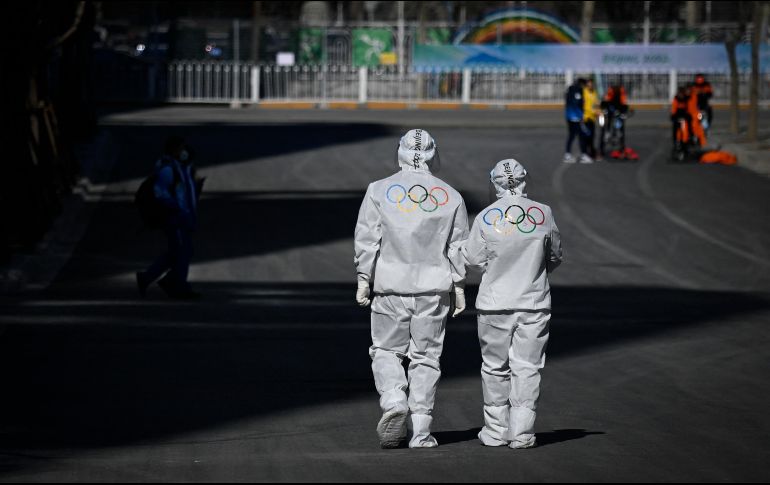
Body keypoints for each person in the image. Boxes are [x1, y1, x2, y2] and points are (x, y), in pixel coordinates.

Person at [354, 129, 469, 449]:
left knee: (386, 350)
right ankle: (421, 431)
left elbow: (367, 239)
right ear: (434, 155)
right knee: (427, 358)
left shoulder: (378, 190)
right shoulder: (451, 196)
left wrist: (364, 277)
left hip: (390, 285)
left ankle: (393, 399)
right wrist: (459, 285)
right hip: (433, 288)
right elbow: (458, 246)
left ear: (400, 152)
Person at [463, 159, 563, 449]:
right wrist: (534, 272)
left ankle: (495, 431)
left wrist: (495, 270)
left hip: (495, 302)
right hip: (534, 302)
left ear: (495, 183)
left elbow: (472, 260)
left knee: (495, 367)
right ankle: (522, 433)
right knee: (528, 368)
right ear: (524, 180)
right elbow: (555, 255)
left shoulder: (485, 217)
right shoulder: (543, 213)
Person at [136, 135, 202, 300]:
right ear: (174, 150)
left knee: (177, 253)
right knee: (183, 252)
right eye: (181, 148)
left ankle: (148, 278)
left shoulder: (181, 168)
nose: (184, 151)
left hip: (183, 218)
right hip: (175, 219)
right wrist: (176, 209)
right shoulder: (168, 169)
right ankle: (178, 286)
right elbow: (160, 192)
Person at [600, 84, 635, 159]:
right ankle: (605, 148)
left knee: (618, 132)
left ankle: (619, 148)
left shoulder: (618, 95)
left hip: (616, 117)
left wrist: (624, 114)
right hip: (612, 117)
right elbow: (605, 104)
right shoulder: (612, 95)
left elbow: (623, 106)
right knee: (611, 132)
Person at [564, 78, 592, 164]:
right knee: (581, 136)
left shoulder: (570, 90)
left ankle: (568, 154)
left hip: (569, 116)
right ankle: (583, 155)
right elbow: (576, 104)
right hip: (575, 117)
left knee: (572, 136)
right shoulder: (577, 91)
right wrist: (581, 116)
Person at [582, 78, 600, 161]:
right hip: (586, 117)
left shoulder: (594, 92)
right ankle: (587, 153)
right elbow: (585, 106)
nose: (590, 85)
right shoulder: (584, 92)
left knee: (592, 136)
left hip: (593, 118)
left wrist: (599, 111)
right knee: (587, 137)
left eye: (591, 83)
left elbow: (596, 104)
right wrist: (594, 112)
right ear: (586, 84)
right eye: (589, 83)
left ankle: (592, 153)